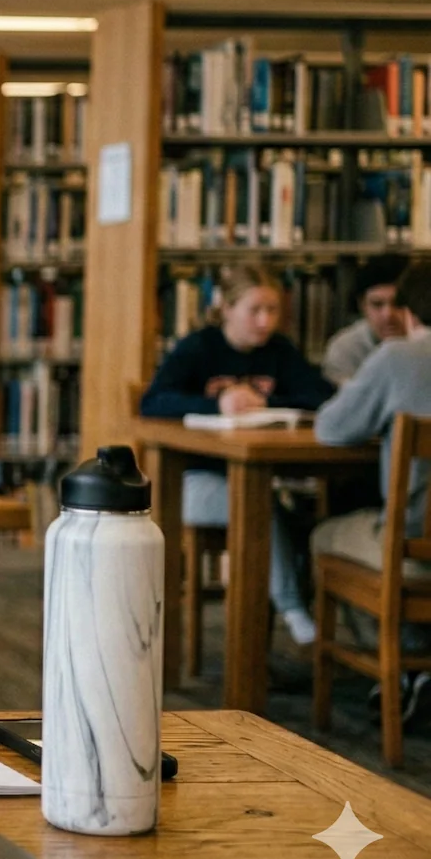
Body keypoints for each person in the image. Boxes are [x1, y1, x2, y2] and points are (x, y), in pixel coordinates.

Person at [139, 264, 335, 644]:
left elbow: (323, 396)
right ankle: (293, 607)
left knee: (297, 515)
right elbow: (153, 402)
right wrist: (217, 404)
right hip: (192, 481)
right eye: (254, 310)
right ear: (227, 308)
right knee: (260, 509)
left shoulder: (279, 351)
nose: (265, 322)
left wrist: (266, 401)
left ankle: (285, 616)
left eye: (272, 310)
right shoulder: (199, 347)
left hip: (260, 476)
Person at [313, 264, 431, 720]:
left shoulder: (399, 357)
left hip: (415, 548)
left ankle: (402, 667)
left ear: (407, 313)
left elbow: (331, 428)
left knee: (325, 536)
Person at [323, 254, 411, 385]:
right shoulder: (345, 349)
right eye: (377, 304)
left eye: (398, 304)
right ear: (362, 306)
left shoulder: (425, 344)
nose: (388, 315)